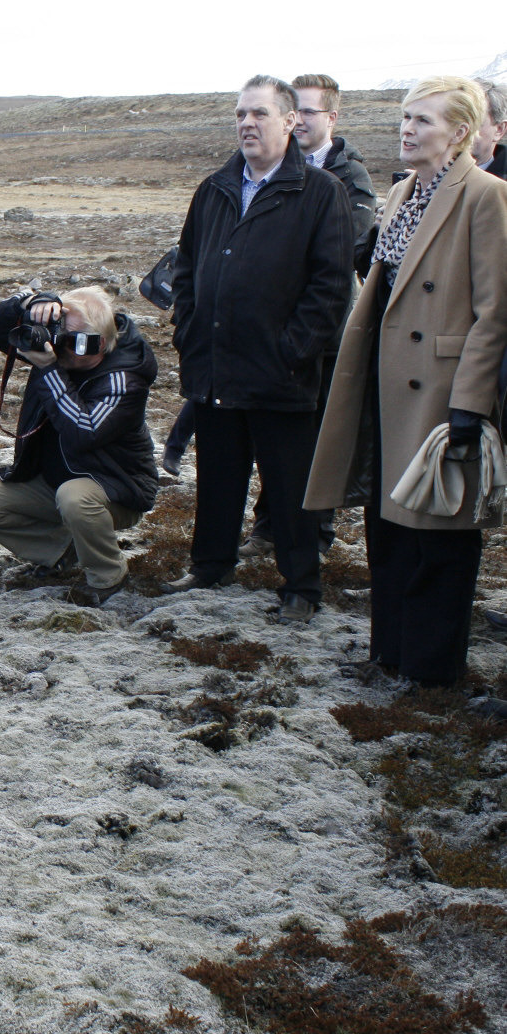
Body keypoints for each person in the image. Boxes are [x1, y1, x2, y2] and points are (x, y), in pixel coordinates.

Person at [307, 77, 507, 686]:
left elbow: (495, 311)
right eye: (404, 118)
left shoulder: (487, 196)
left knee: (440, 532)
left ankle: (430, 670)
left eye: (422, 120)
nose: (407, 129)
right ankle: (387, 652)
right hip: (383, 380)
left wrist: (471, 404)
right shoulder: (400, 195)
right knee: (388, 523)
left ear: (461, 133)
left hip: (442, 392)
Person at [165, 75, 353, 624]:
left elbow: (330, 287)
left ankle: (300, 585)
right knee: (218, 473)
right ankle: (210, 565)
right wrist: (190, 330)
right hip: (216, 364)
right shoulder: (215, 187)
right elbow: (186, 265)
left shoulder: (320, 193)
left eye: (260, 114)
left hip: (281, 372)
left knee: (290, 484)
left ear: (291, 120)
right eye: (241, 114)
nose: (248, 123)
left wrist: (293, 350)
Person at [234, 73, 379, 558]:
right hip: (267, 336)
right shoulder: (262, 170)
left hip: (324, 336)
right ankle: (269, 527)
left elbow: (347, 250)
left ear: (330, 117)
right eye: (295, 111)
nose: (300, 121)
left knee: (315, 443)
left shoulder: (348, 175)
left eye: (310, 112)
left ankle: (313, 538)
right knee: (274, 440)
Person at [0, 287, 159, 606]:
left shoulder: (125, 378)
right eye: (60, 336)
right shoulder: (57, 348)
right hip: (53, 480)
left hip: (116, 489)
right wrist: (35, 303)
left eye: (78, 341)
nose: (65, 348)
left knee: (75, 499)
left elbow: (84, 433)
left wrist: (49, 369)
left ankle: (107, 575)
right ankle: (62, 551)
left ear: (104, 343)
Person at [475, 79, 507, 179]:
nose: (461, 132)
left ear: (499, 129)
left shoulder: (502, 188)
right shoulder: (430, 177)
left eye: (474, 122)